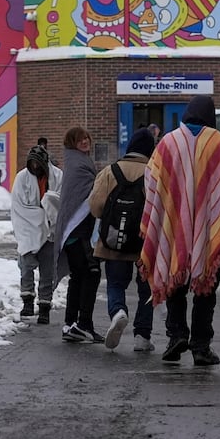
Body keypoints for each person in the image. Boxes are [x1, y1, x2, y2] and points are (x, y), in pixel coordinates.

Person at [138, 96, 220, 367]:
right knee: (206, 288)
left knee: (175, 282)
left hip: (172, 225)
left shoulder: (167, 142)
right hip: (212, 227)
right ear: (210, 116)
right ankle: (201, 346)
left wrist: (162, 212)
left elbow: (151, 183)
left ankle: (176, 335)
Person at [90, 127, 158, 351]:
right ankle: (142, 336)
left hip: (113, 240)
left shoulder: (111, 171)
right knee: (146, 288)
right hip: (144, 243)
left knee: (116, 283)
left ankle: (118, 311)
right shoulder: (153, 172)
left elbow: (96, 207)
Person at [54, 126, 102, 343]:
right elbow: (87, 194)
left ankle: (71, 324)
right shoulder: (78, 164)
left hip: (75, 232)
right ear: (72, 142)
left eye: (86, 137)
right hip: (78, 231)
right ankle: (83, 324)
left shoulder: (76, 161)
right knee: (90, 274)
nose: (85, 141)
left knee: (79, 276)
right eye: (80, 139)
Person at [10, 144, 62, 324]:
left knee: (48, 271)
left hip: (50, 232)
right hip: (28, 230)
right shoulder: (21, 178)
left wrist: (49, 205)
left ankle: (44, 307)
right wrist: (40, 213)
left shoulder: (57, 176)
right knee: (26, 268)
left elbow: (60, 201)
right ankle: (27, 302)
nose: (35, 168)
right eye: (31, 164)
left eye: (38, 164)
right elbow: (18, 207)